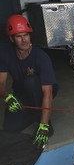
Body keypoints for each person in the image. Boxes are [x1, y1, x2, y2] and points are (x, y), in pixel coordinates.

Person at [0, 14, 58, 148]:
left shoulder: (41, 58)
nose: (24, 40)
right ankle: (33, 113)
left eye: (26, 35)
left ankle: (45, 121)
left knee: (31, 82)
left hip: (42, 91)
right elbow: (1, 82)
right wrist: (7, 96)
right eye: (19, 36)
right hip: (22, 93)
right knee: (10, 129)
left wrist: (43, 125)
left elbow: (48, 93)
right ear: (11, 38)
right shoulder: (4, 53)